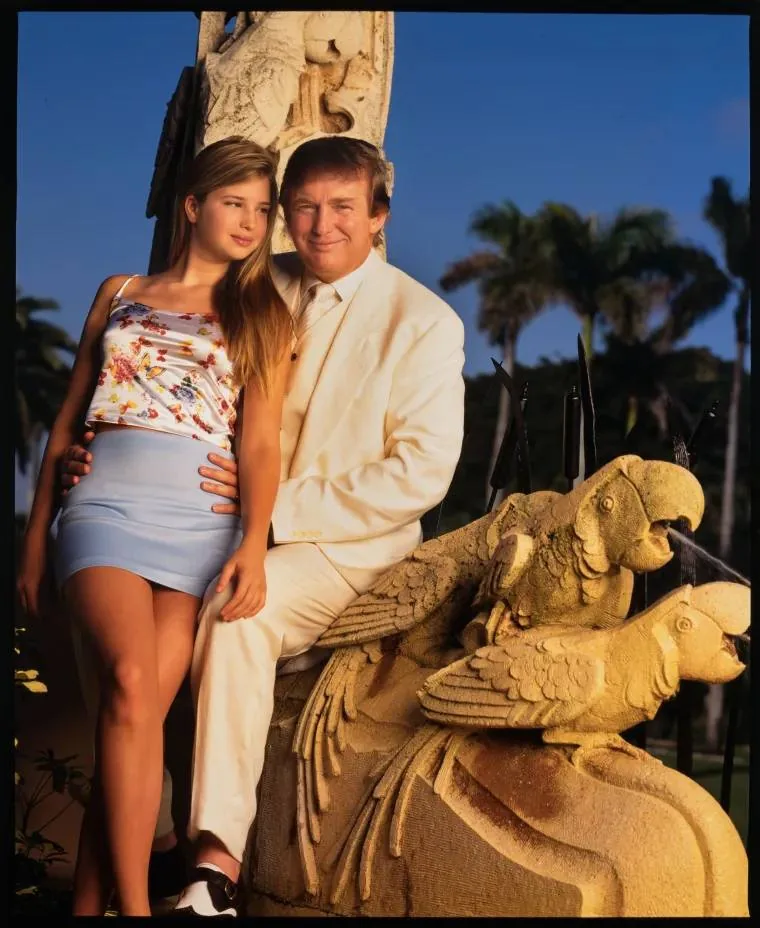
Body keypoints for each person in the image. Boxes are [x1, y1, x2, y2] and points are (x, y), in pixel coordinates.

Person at [60, 135, 466, 917]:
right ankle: (146, 831)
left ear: (379, 216)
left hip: (342, 545)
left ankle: (213, 866)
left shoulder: (423, 321)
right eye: (303, 208)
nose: (321, 226)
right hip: (199, 519)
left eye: (342, 208)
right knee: (123, 646)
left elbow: (418, 475)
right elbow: (153, 372)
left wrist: (268, 509)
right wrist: (95, 447)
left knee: (236, 613)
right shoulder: (253, 283)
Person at [17, 137, 294, 916]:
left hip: (203, 527)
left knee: (131, 715)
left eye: (261, 209)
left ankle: (88, 908)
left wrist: (252, 544)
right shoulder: (121, 291)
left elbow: (260, 442)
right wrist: (36, 541)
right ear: (194, 205)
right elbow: (66, 424)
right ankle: (137, 909)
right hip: (102, 507)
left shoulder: (262, 313)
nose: (250, 222)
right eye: (234, 203)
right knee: (132, 686)